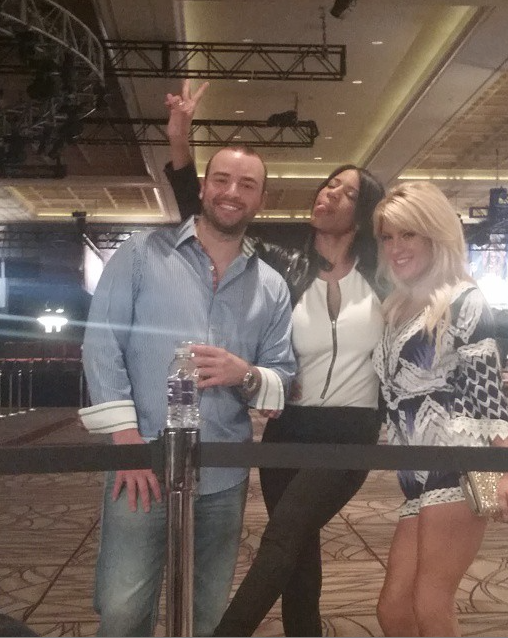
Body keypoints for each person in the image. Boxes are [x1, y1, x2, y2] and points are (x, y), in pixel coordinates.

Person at [164, 80, 386, 636]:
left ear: (363, 214)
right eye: (328, 184)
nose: (328, 194)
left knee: (283, 537)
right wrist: (181, 146)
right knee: (299, 561)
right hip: (288, 430)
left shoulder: (382, 278)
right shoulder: (283, 261)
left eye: (345, 192)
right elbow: (211, 213)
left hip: (351, 434)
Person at [78, 142, 296, 636]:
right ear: (202, 187)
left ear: (260, 199)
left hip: (223, 471)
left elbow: (281, 374)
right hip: (141, 462)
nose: (232, 192)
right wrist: (126, 443)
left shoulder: (271, 286)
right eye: (222, 179)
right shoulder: (141, 254)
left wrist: (246, 373)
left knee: (207, 610)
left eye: (247, 185)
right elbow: (102, 344)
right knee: (123, 609)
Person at [371, 181, 508, 637]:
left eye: (409, 234)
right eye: (388, 236)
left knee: (430, 605)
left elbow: (487, 391)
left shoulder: (463, 299)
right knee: (394, 610)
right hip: (414, 470)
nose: (396, 247)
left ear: (435, 234)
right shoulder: (397, 306)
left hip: (458, 461)